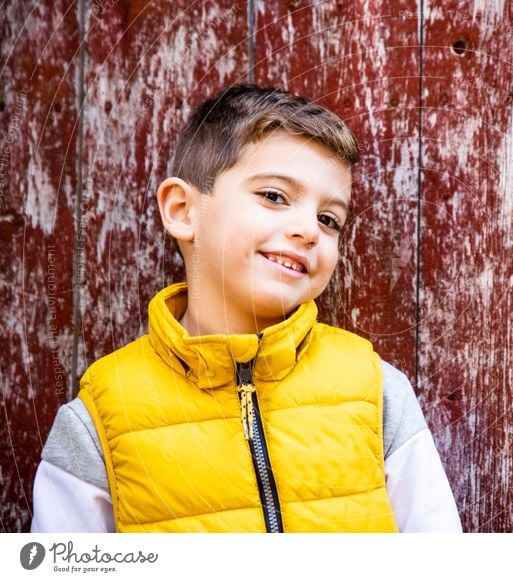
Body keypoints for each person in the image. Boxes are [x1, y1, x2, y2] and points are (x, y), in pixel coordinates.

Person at [30, 84, 461, 533]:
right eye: (275, 196)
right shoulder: (99, 422)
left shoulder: (378, 394)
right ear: (182, 210)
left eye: (329, 219)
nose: (309, 231)